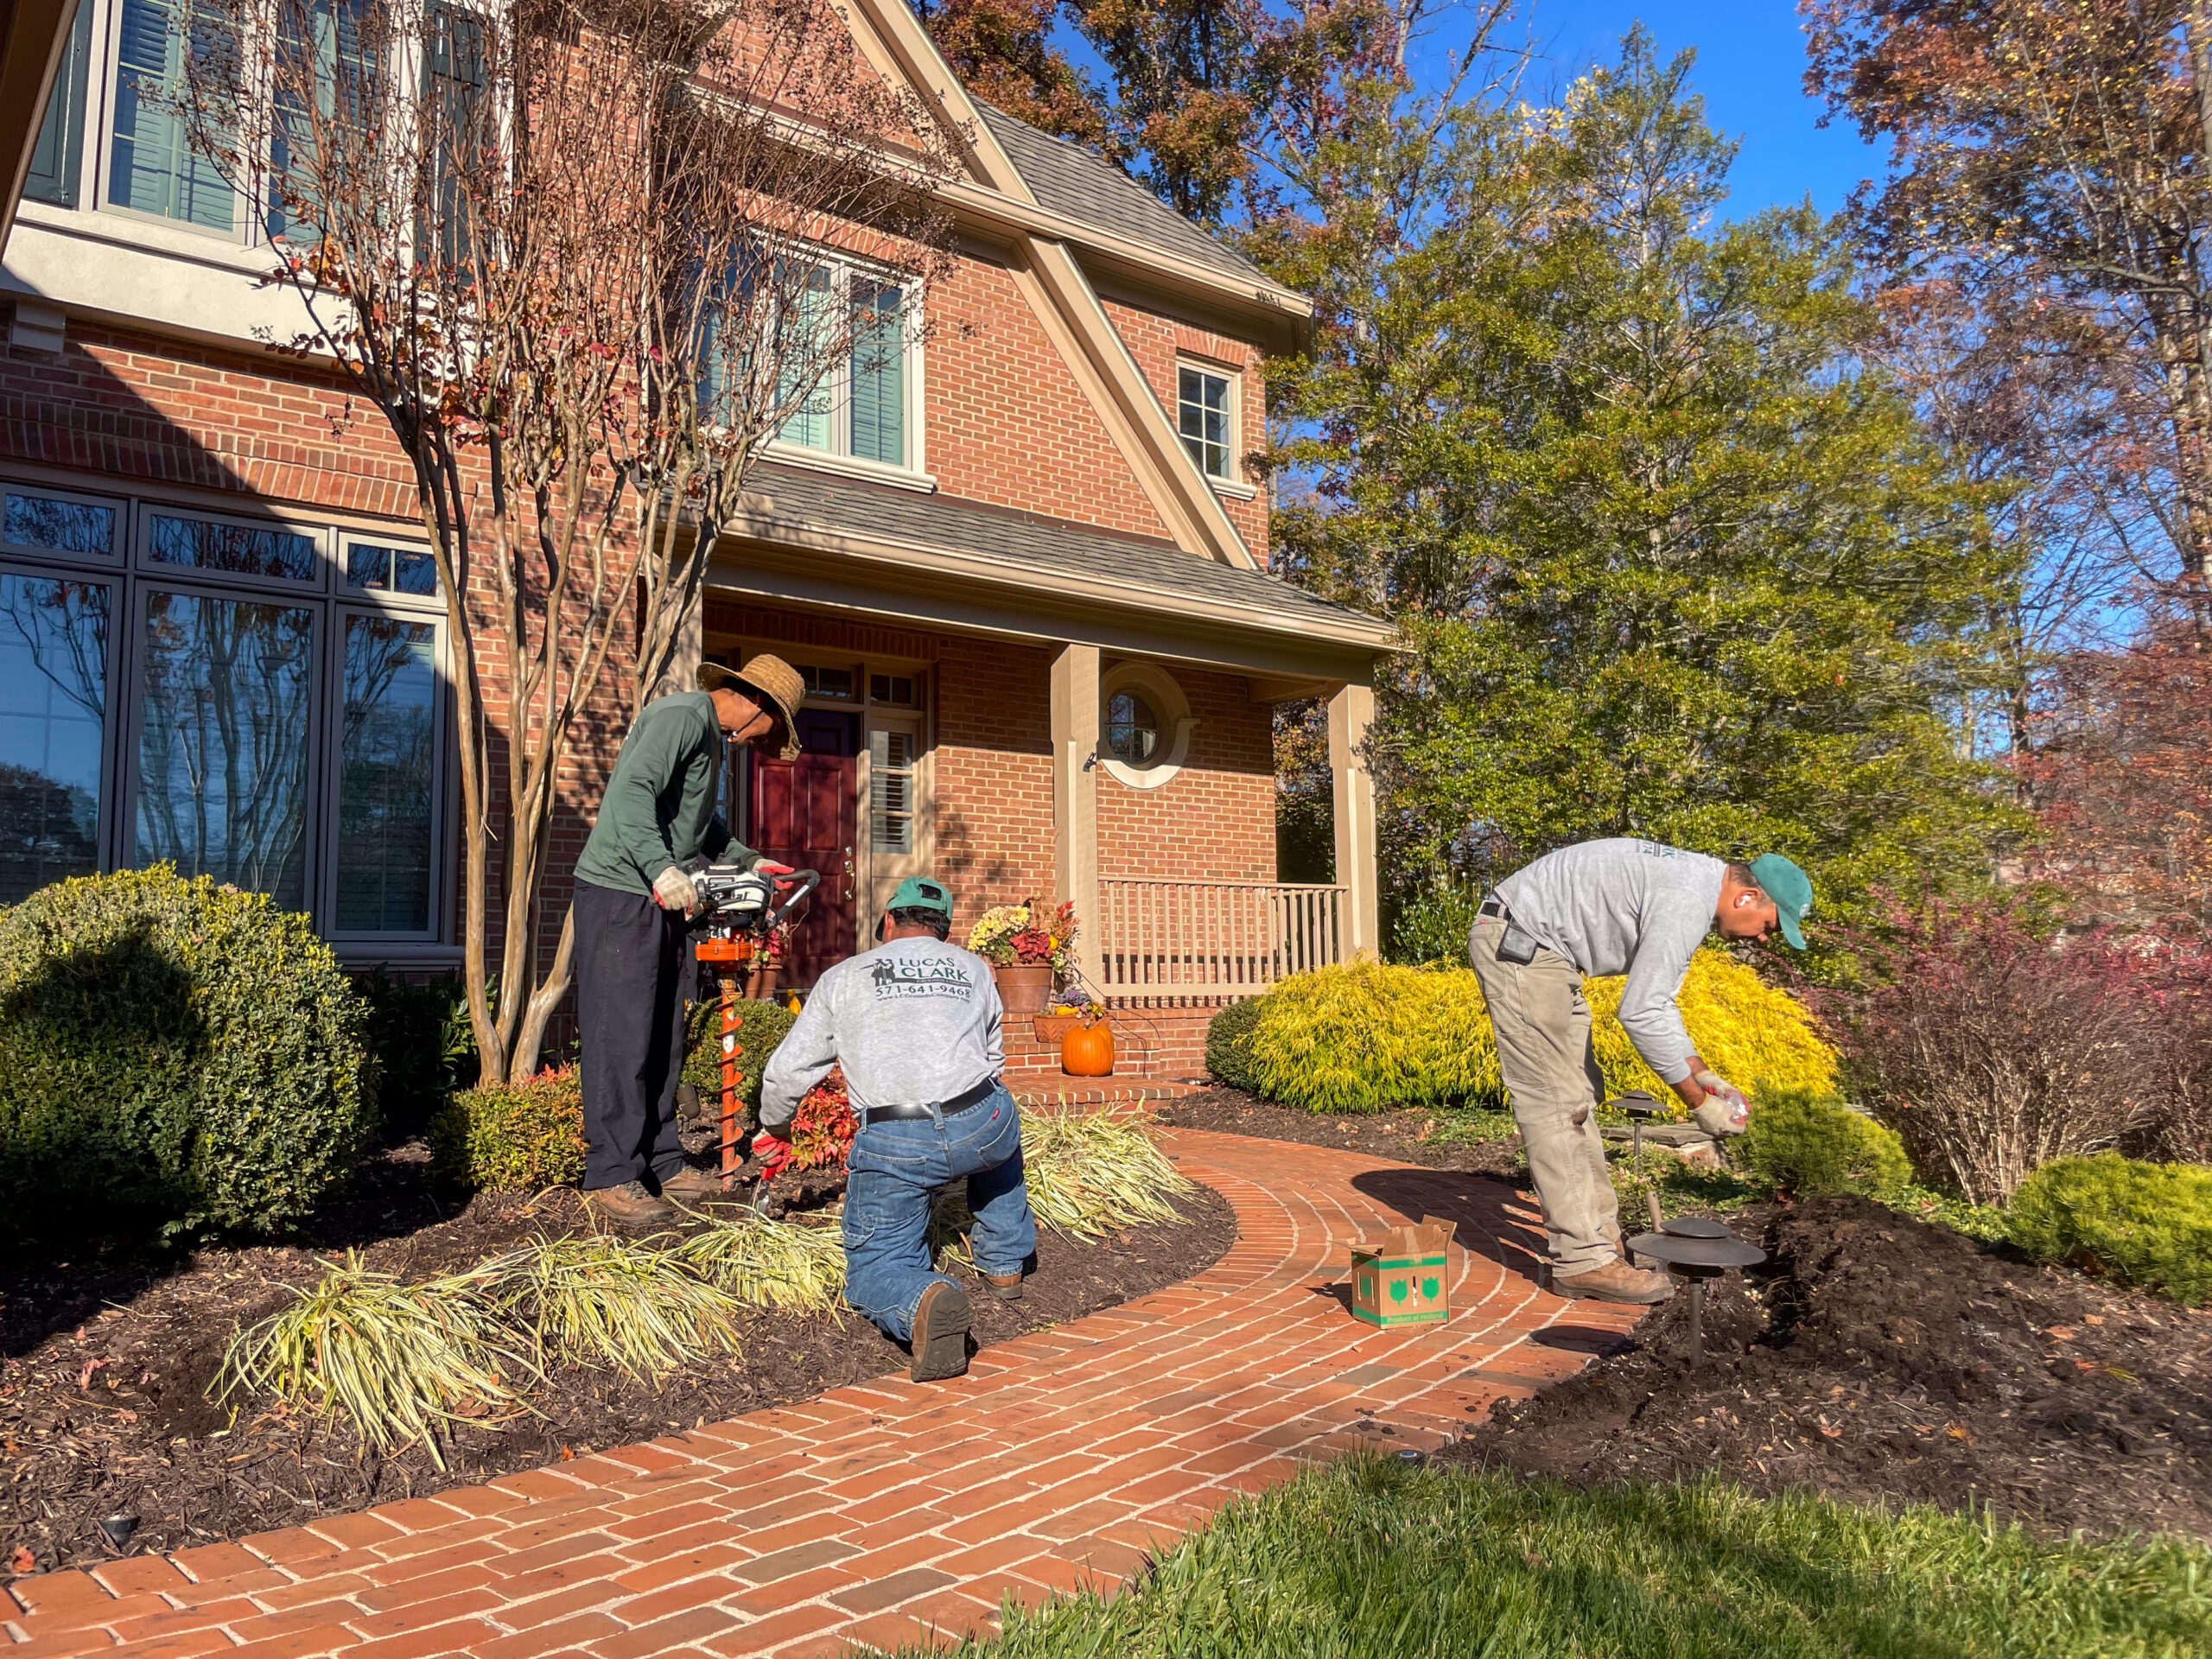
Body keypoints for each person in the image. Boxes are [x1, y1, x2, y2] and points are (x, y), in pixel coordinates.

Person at [1466, 839, 1814, 1305]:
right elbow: (1642, 1013)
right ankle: (1582, 1261)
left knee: (1580, 1096)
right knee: (1553, 1103)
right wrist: (1699, 1105)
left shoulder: (1694, 886)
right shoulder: (1687, 901)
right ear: (1746, 898)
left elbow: (1658, 1006)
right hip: (1522, 945)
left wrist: (1704, 1075)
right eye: (1770, 925)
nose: (1765, 938)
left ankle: (1599, 1238)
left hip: (1549, 955)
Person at [760, 875, 1037, 1382]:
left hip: (897, 1140)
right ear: (944, 932)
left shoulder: (844, 977)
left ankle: (921, 1299)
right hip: (982, 1120)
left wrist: (775, 1124)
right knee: (1001, 1141)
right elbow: (992, 1059)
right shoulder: (975, 967)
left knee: (876, 1263)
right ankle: (1004, 1264)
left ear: (889, 920)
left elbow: (787, 1071)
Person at [571, 654, 804, 1225]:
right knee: (621, 1035)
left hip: (665, 898)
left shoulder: (710, 736)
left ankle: (661, 1160)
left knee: (663, 1034)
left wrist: (749, 860)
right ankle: (612, 1174)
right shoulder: (680, 716)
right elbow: (630, 797)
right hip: (622, 893)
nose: (763, 742)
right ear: (760, 705)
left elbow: (700, 824)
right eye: (773, 728)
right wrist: (659, 868)